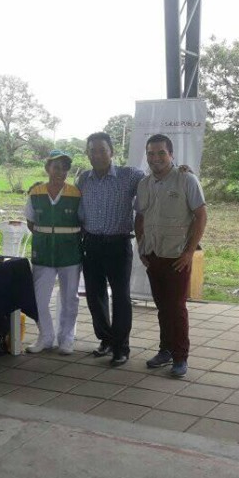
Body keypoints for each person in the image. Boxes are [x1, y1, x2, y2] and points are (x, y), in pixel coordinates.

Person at [134, 134, 207, 378]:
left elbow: (201, 216)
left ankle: (180, 357)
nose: (155, 158)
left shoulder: (186, 179)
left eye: (161, 153)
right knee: (163, 307)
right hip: (153, 254)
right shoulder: (144, 184)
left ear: (171, 155)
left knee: (176, 308)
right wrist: (141, 247)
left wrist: (189, 252)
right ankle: (165, 350)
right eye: (151, 153)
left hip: (177, 256)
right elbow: (140, 217)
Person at [76, 132, 146, 366]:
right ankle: (106, 339)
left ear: (112, 152)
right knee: (94, 296)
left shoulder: (129, 176)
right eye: (92, 151)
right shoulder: (83, 179)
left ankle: (121, 347)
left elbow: (156, 179)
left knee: (121, 297)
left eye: (101, 150)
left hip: (118, 244)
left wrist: (179, 170)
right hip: (91, 244)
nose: (96, 155)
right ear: (87, 154)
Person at [24, 150, 82, 355]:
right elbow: (30, 222)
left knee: (69, 298)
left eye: (65, 168)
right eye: (56, 167)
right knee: (38, 298)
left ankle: (66, 339)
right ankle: (46, 336)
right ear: (47, 168)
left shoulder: (76, 194)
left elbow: (83, 222)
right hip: (43, 253)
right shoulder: (36, 193)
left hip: (70, 253)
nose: (61, 172)